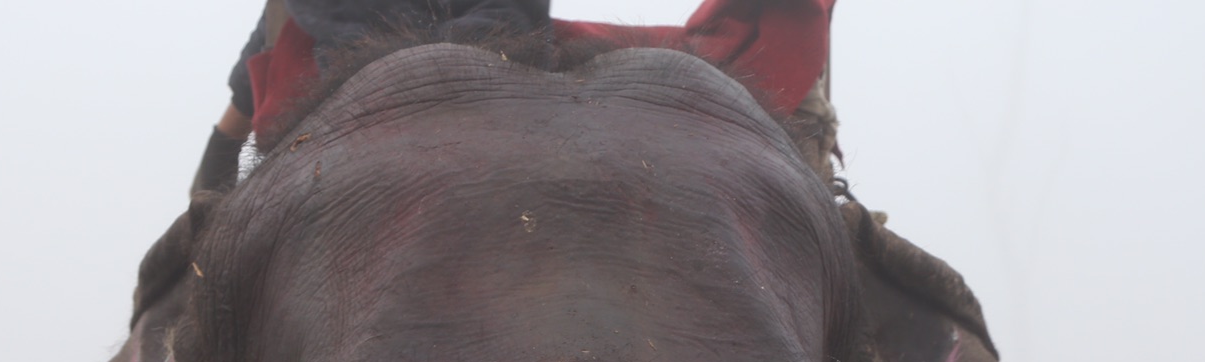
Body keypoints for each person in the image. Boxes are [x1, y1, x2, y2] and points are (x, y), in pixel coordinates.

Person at [192, 0, 836, 193]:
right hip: (338, 162)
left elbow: (495, 48)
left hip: (457, 142)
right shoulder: (295, 12)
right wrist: (212, 183)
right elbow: (245, 94)